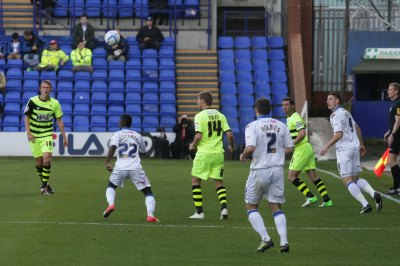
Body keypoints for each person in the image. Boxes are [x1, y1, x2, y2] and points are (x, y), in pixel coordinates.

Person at [240, 97, 293, 252]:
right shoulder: (282, 126)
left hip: (259, 170)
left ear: (256, 110)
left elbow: (250, 147)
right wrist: (277, 153)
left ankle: (266, 239)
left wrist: (243, 155)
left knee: (251, 206)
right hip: (277, 170)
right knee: (276, 206)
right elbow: (290, 148)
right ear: (270, 109)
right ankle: (284, 242)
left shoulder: (252, 126)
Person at [320, 92, 383, 213]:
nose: (327, 101)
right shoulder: (346, 112)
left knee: (347, 180)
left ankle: (365, 205)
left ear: (337, 101)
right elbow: (357, 128)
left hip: (344, 150)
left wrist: (326, 146)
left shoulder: (335, 115)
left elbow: (339, 134)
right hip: (354, 148)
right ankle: (373, 193)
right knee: (355, 178)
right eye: (327, 99)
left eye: (330, 99)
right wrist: (362, 144)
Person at [103, 114, 160, 223]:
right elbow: (144, 152)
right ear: (130, 124)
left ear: (121, 123)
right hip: (135, 167)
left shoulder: (117, 134)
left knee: (111, 186)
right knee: (148, 192)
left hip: (120, 167)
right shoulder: (138, 135)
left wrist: (107, 161)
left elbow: (113, 146)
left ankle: (111, 204)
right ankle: (150, 215)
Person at [188, 90, 235, 219]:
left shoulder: (199, 116)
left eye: (198, 100)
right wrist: (232, 146)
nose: (197, 102)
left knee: (195, 181)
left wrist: (193, 145)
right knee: (219, 182)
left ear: (203, 101)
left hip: (204, 153)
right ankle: (224, 209)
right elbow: (230, 134)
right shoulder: (221, 115)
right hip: (219, 153)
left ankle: (199, 212)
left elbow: (198, 135)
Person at [282, 97, 333, 207]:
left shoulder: (295, 118)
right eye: (283, 105)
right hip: (306, 148)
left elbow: (302, 133)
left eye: (286, 105)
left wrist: (291, 143)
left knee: (291, 177)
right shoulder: (290, 118)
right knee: (313, 176)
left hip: (302, 149)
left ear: (292, 106)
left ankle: (310, 196)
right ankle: (327, 200)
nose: (284, 107)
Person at [24, 80, 68, 195]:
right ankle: (46, 184)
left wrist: (64, 137)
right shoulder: (33, 101)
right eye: (43, 87)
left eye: (47, 87)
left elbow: (59, 120)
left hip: (47, 135)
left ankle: (43, 187)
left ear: (50, 89)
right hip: (34, 135)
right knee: (39, 163)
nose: (45, 89)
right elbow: (26, 117)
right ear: (40, 89)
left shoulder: (55, 103)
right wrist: (28, 132)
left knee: (47, 159)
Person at [384, 83, 400, 195]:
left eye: (390, 89)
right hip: (395, 134)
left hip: (398, 136)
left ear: (396, 91)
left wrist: (392, 134)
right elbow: (394, 121)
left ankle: (397, 187)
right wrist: (389, 132)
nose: (388, 91)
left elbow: (398, 121)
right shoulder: (395, 103)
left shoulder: (398, 103)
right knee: (391, 161)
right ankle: (396, 187)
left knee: (391, 161)